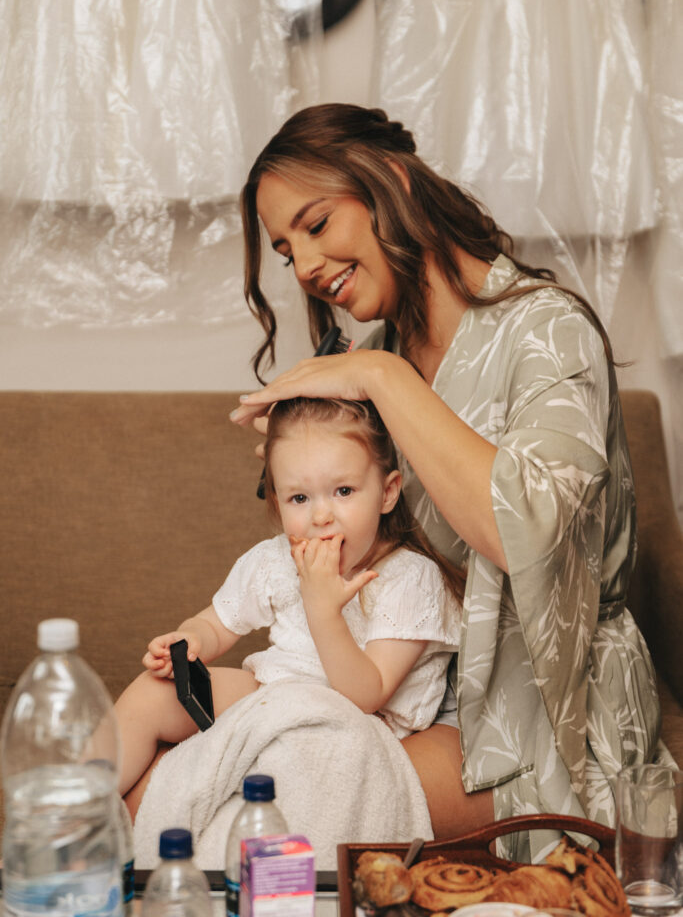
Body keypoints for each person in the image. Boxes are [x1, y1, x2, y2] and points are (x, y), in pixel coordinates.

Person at [229, 102, 675, 860]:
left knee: (259, 814)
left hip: (541, 707)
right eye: (283, 251)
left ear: (391, 181)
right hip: (406, 688)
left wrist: (379, 375)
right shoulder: (380, 350)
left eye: (314, 224)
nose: (302, 267)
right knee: (187, 768)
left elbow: (520, 533)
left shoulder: (544, 327)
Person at [115, 395, 463, 798]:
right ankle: (75, 810)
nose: (321, 516)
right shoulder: (277, 559)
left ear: (387, 492)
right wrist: (190, 639)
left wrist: (322, 606)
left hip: (356, 730)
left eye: (344, 491)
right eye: (300, 498)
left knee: (272, 769)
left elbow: (365, 696)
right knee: (152, 694)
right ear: (279, 504)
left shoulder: (409, 578)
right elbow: (216, 622)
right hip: (272, 696)